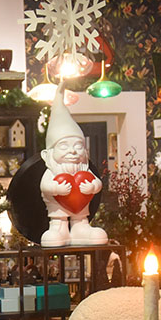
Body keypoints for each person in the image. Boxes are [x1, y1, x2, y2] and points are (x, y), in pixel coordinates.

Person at [38, 86, 108, 247]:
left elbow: (98, 183)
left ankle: (80, 228)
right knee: (58, 222)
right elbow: (44, 186)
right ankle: (59, 229)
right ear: (49, 153)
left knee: (81, 217)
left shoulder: (84, 170)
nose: (72, 151)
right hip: (57, 213)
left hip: (81, 210)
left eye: (78, 146)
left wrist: (93, 186)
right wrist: (56, 188)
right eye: (64, 146)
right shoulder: (52, 170)